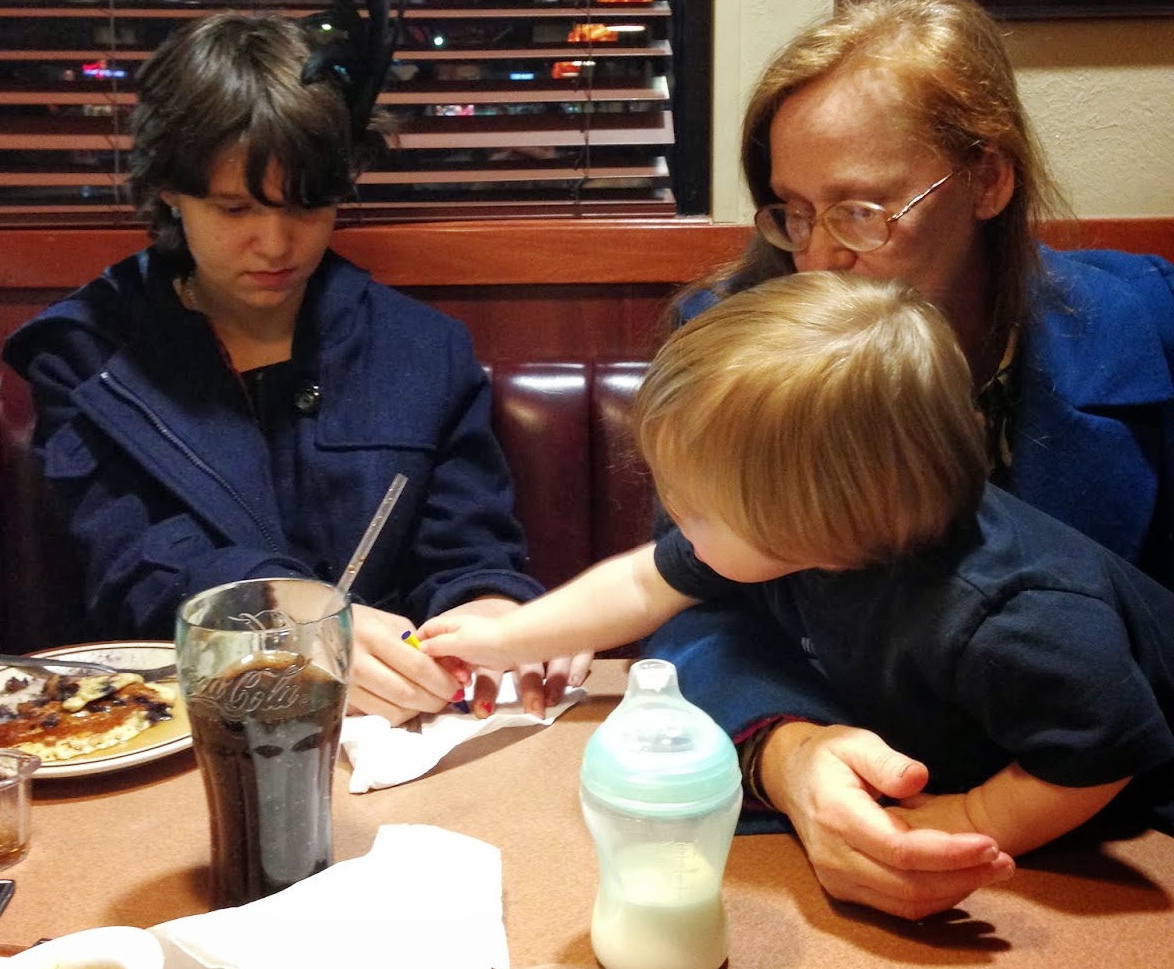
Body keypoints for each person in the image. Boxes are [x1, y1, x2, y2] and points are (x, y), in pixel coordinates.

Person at [646, 0, 1174, 916]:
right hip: (828, 857)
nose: (817, 259)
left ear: (988, 180)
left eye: (862, 209)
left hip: (1121, 848)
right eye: (794, 210)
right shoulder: (728, 343)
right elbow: (697, 597)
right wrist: (788, 755)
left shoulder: (1149, 325)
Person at [419, 273, 1174, 899]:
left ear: (825, 520)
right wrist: (507, 637)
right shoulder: (799, 541)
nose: (674, 516)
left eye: (696, 507)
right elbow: (644, 585)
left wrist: (971, 816)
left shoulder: (1012, 614)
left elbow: (1099, 754)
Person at [4, 0, 585, 722]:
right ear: (170, 193)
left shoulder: (421, 348)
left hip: (393, 725)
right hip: (185, 718)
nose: (277, 245)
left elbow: (467, 549)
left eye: (306, 206)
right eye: (236, 209)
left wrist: (491, 610)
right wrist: (287, 615)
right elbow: (132, 565)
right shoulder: (88, 353)